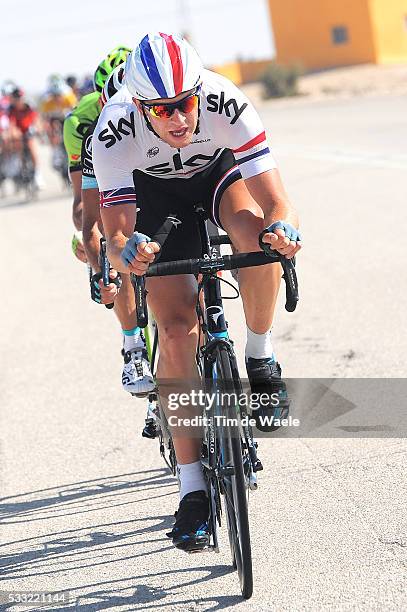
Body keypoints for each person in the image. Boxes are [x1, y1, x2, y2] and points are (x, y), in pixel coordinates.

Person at [93, 32, 302, 551]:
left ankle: (260, 355)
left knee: (256, 237)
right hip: (153, 197)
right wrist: (128, 253)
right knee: (176, 328)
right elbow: (116, 236)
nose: (178, 119)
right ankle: (191, 490)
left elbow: (279, 201)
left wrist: (285, 231)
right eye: (161, 111)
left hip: (216, 178)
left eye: (185, 104)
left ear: (199, 92)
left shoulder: (225, 101)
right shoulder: (113, 130)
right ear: (139, 106)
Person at [64, 50, 154, 396]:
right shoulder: (80, 124)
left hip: (148, 179)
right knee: (110, 251)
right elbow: (81, 207)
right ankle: (133, 344)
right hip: (102, 189)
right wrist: (103, 259)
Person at [7, 88, 42, 187]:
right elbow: (11, 124)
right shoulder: (11, 109)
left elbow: (36, 119)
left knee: (31, 147)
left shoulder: (29, 105)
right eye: (16, 99)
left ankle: (37, 174)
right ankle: (22, 167)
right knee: (18, 145)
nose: (18, 101)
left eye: (20, 98)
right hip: (19, 131)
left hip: (29, 129)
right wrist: (12, 132)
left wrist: (37, 128)